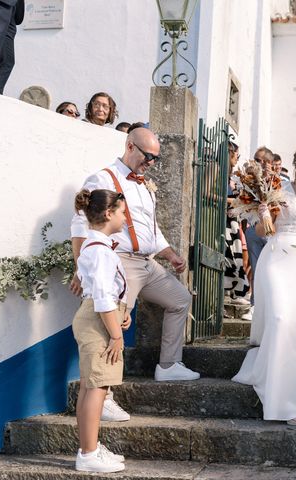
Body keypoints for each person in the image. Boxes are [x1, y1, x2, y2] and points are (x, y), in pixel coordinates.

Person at [70, 128, 199, 418]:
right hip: (121, 260)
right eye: (148, 156)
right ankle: (103, 396)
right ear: (130, 146)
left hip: (147, 262)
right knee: (109, 324)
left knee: (180, 299)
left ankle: (168, 366)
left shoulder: (144, 184)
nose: (152, 162)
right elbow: (79, 225)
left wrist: (170, 255)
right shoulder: (103, 178)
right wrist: (80, 268)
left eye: (156, 158)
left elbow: (150, 228)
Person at [233, 143, 296, 426]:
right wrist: (264, 211)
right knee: (281, 318)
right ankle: (280, 398)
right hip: (278, 260)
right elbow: (264, 231)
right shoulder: (281, 190)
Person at [72, 188, 128, 473]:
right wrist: (116, 335)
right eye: (121, 212)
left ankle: (88, 448)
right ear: (108, 214)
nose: (124, 218)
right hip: (98, 320)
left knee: (90, 386)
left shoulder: (95, 247)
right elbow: (104, 297)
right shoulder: (101, 251)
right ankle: (89, 454)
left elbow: (102, 292)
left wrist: (122, 315)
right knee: (97, 388)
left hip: (96, 316)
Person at [243, 146, 274, 320]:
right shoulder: (248, 181)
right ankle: (255, 305)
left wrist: (270, 179)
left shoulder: (279, 181)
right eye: (255, 159)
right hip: (254, 228)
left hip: (272, 231)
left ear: (267, 162)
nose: (256, 162)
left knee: (271, 270)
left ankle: (270, 305)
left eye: (259, 159)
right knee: (256, 269)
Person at [224, 141, 250, 304]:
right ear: (230, 153)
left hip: (233, 220)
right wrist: (233, 201)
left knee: (238, 256)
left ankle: (237, 291)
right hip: (225, 221)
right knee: (231, 257)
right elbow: (205, 194)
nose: (237, 159)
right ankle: (232, 292)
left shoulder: (229, 176)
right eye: (237, 156)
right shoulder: (216, 169)